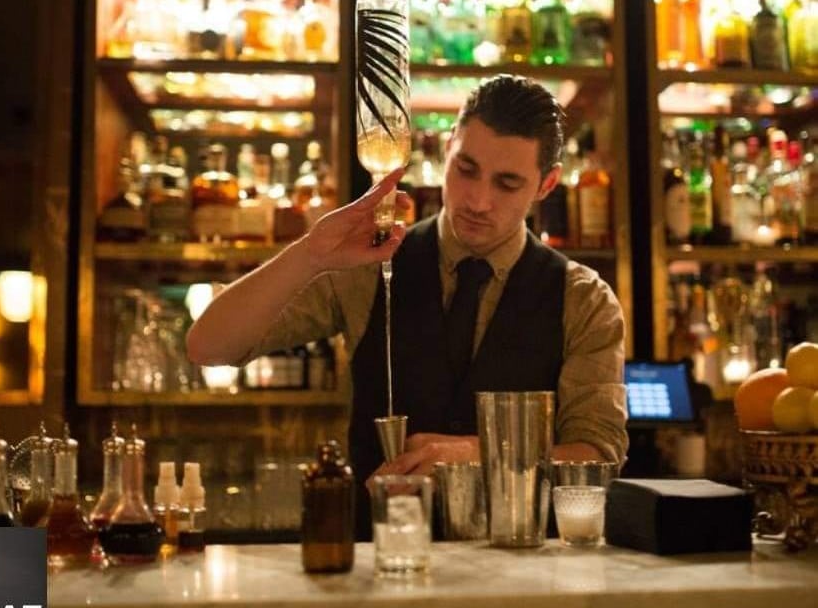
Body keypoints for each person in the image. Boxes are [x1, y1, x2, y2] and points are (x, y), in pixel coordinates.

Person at [187, 74, 628, 539]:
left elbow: (599, 455)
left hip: (524, 579)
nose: (478, 200)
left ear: (546, 184)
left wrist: (471, 454)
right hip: (379, 566)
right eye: (466, 169)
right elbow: (208, 346)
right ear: (445, 150)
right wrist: (310, 254)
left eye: (507, 183)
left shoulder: (583, 299)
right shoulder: (369, 266)